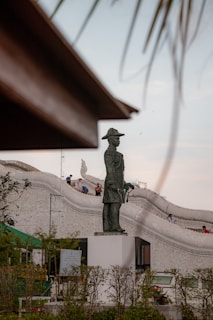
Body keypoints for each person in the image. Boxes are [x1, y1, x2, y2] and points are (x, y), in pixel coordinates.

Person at [102, 128, 127, 233]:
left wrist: (124, 183)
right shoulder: (109, 153)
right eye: (116, 138)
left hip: (118, 182)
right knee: (114, 203)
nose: (118, 140)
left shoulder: (118, 154)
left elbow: (120, 171)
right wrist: (111, 182)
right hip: (111, 183)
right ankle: (114, 226)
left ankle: (109, 226)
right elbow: (110, 169)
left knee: (112, 204)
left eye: (119, 138)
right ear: (110, 139)